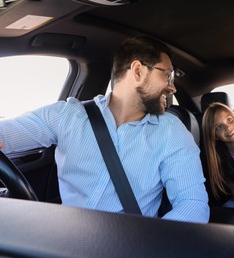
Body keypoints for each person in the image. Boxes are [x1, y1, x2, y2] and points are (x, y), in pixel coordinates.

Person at [0, 36, 210, 223]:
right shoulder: (67, 115)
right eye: (168, 75)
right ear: (138, 71)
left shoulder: (171, 132)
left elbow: (193, 204)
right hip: (62, 241)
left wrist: (149, 246)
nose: (172, 87)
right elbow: (6, 134)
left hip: (129, 245)